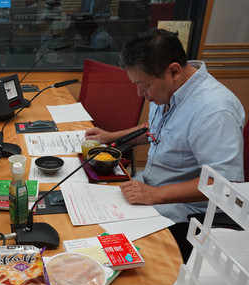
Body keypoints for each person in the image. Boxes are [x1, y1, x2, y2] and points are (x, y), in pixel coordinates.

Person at [85, 29, 245, 261]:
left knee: (104, 253)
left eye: (144, 85)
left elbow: (223, 184)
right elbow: (154, 130)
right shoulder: (171, 90)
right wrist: (111, 137)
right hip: (149, 190)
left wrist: (155, 195)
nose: (140, 94)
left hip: (186, 214)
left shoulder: (214, 111)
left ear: (173, 71)